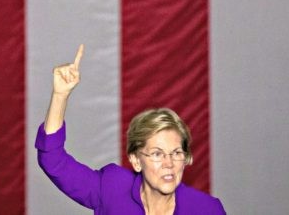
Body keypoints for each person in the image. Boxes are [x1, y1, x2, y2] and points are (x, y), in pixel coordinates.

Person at [35, 45, 226, 215]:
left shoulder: (207, 209)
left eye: (176, 153)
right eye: (157, 154)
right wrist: (60, 96)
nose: (169, 163)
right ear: (136, 160)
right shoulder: (111, 189)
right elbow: (52, 160)